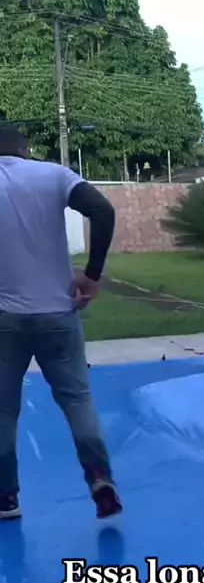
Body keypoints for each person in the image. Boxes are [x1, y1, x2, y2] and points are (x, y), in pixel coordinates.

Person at [0, 125, 122, 520]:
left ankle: (6, 498)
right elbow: (103, 210)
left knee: (3, 412)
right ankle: (100, 478)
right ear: (24, 148)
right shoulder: (52, 174)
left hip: (5, 319)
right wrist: (92, 275)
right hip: (58, 313)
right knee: (77, 400)